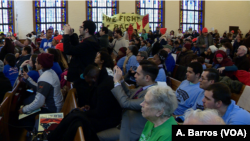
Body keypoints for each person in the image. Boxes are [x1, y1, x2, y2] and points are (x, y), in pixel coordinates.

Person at [97, 60, 159, 141]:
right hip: (125, 122)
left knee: (98, 136)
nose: (135, 75)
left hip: (131, 131)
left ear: (147, 77)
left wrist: (116, 82)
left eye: (138, 74)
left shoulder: (153, 94)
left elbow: (126, 103)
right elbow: (129, 93)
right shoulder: (144, 86)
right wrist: (121, 80)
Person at [19, 53, 64, 131]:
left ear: (41, 65)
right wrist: (28, 79)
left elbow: (39, 102)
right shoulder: (51, 72)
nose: (35, 64)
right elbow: (39, 88)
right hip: (54, 106)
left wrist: (23, 110)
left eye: (36, 62)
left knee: (24, 119)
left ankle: (35, 134)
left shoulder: (45, 78)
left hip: (52, 111)